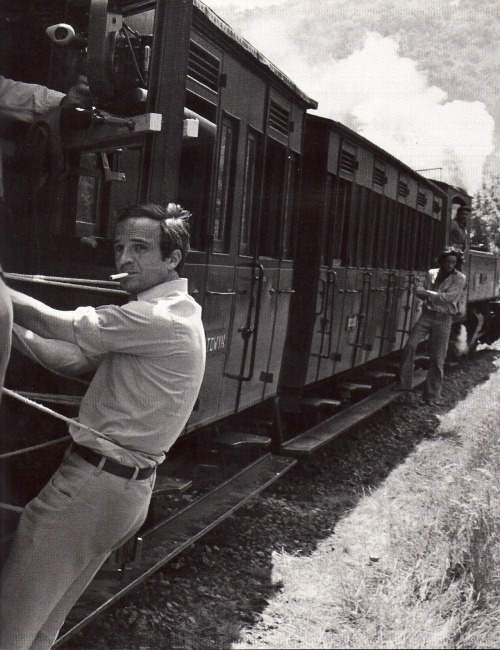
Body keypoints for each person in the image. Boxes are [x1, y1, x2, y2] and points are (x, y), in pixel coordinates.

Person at [0, 202, 206, 650]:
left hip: (91, 488)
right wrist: (8, 325)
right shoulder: (182, 312)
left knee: (7, 631)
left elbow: (51, 322)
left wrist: (3, 296)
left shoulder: (153, 317)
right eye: (119, 247)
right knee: (38, 633)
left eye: (140, 248)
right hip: (123, 494)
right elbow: (71, 358)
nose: (124, 259)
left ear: (173, 259)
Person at [398, 248, 466, 405]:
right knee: (409, 346)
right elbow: (425, 295)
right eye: (448, 261)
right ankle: (404, 387)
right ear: (441, 261)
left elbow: (447, 298)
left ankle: (431, 396)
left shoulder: (460, 278)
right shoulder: (431, 273)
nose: (450, 265)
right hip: (427, 316)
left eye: (454, 262)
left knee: (437, 358)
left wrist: (426, 292)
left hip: (444, 319)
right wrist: (419, 291)